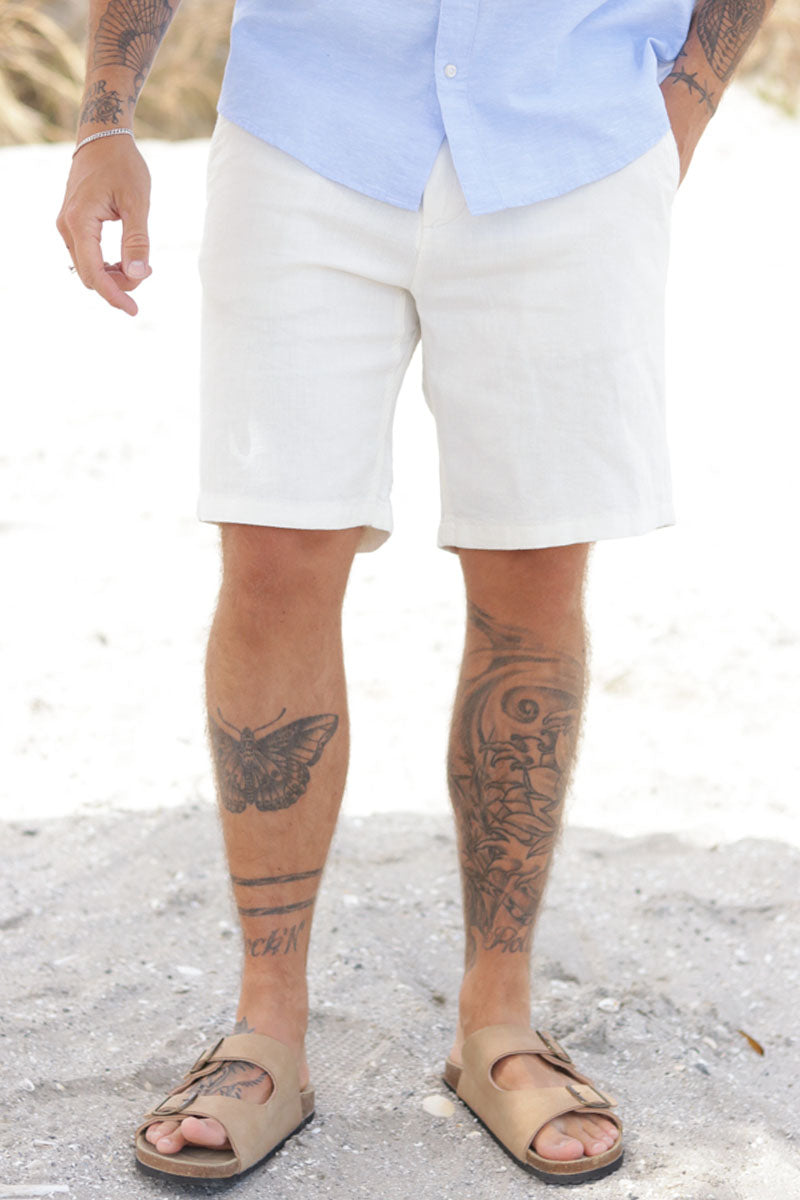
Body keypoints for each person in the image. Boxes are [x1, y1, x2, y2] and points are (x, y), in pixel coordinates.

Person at [56, 0, 775, 1186]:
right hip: (305, 136)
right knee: (274, 560)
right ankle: (265, 1028)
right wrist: (104, 123)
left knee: (530, 574)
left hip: (571, 140)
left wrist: (683, 104)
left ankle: (497, 1019)